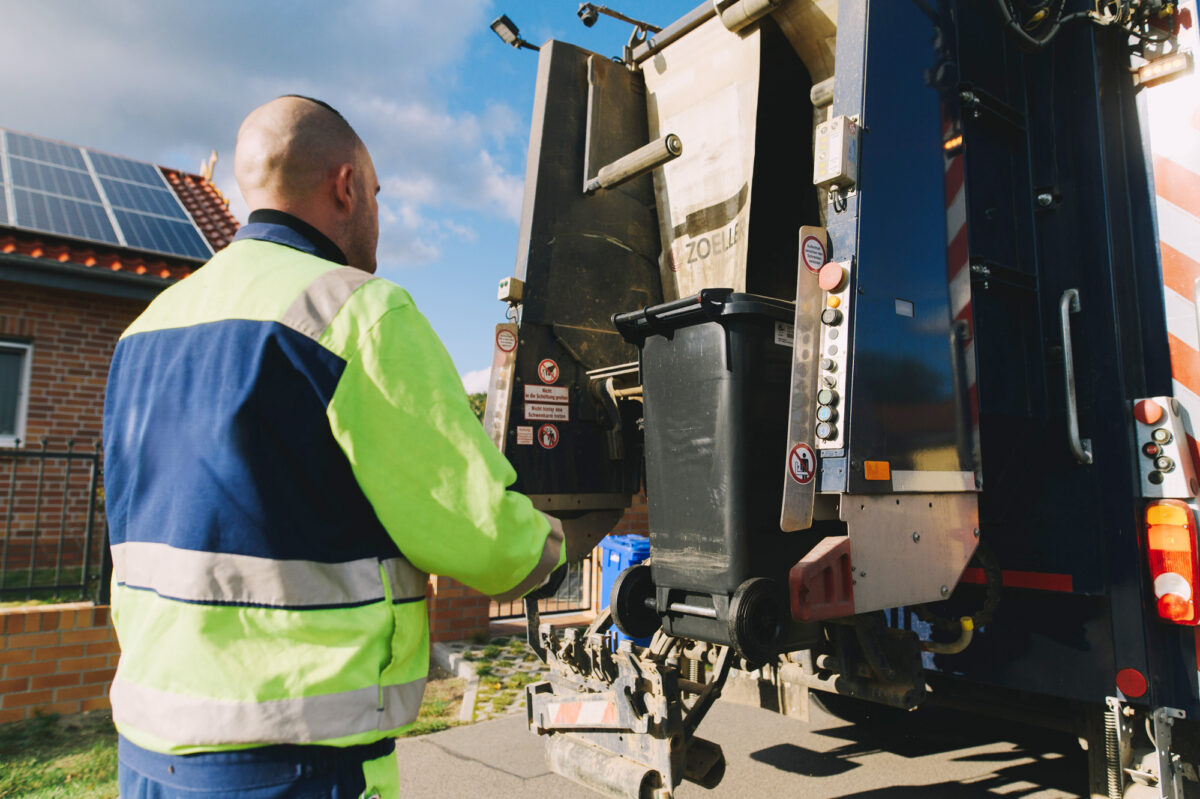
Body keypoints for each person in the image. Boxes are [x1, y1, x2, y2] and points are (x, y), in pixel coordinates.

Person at [103, 95, 579, 797]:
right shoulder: (360, 312)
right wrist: (556, 546)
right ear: (347, 186)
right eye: (378, 193)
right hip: (293, 760)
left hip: (147, 751)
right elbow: (479, 535)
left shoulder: (148, 326)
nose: (379, 213)